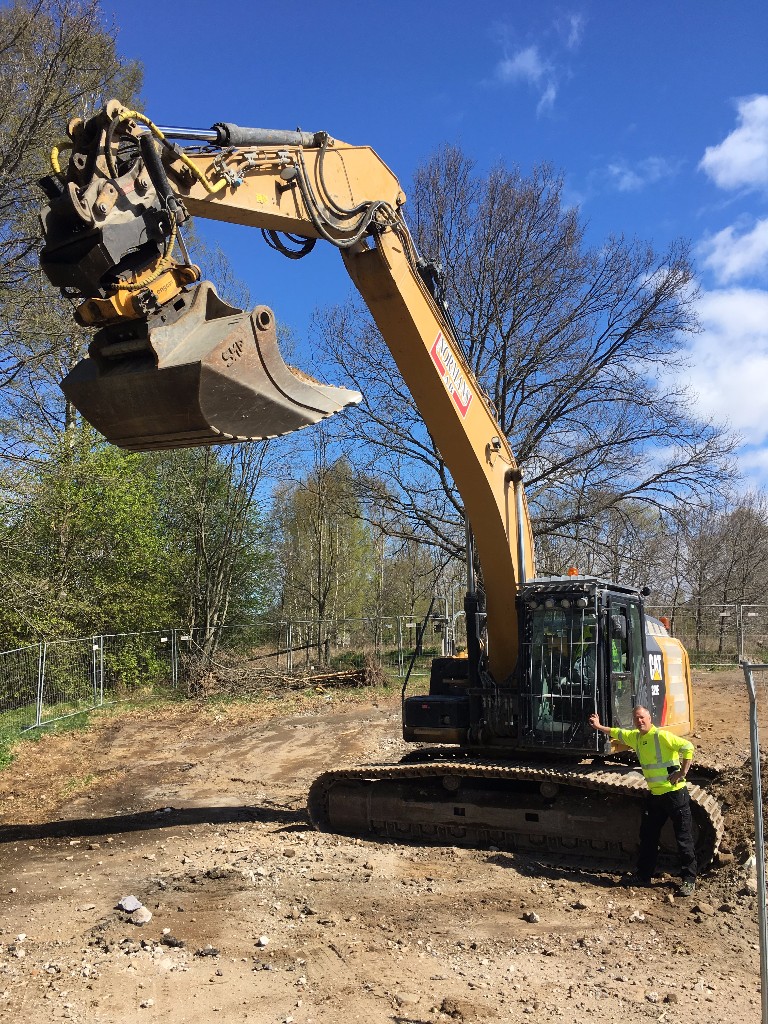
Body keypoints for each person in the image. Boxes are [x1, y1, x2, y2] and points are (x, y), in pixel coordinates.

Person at [588, 705, 697, 896]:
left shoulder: (661, 736)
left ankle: (689, 880)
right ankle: (644, 876)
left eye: (642, 718)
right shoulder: (636, 737)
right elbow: (618, 732)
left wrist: (682, 772)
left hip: (674, 795)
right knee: (648, 836)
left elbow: (688, 747)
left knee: (683, 839)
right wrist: (599, 726)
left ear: (649, 718)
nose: (640, 721)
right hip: (655, 796)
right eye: (637, 718)